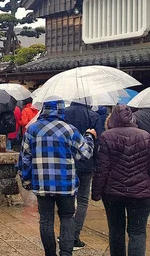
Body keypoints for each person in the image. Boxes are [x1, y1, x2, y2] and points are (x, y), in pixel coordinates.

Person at [20, 99, 95, 256]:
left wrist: (26, 180)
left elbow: (25, 158)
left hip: (42, 183)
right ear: (61, 111)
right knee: (67, 217)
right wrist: (89, 136)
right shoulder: (70, 130)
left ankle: (50, 254)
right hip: (66, 184)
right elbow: (85, 154)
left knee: (46, 220)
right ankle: (66, 253)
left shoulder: (32, 130)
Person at [92, 105, 150, 256]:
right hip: (141, 193)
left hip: (113, 193)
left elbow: (102, 168)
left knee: (116, 230)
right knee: (137, 232)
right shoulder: (145, 136)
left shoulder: (106, 136)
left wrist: (96, 192)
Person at [63, 99, 104, 250]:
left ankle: (65, 232)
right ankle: (74, 236)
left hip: (67, 161)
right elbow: (98, 141)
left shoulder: (64, 113)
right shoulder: (93, 116)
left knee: (66, 197)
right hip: (86, 164)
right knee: (82, 200)